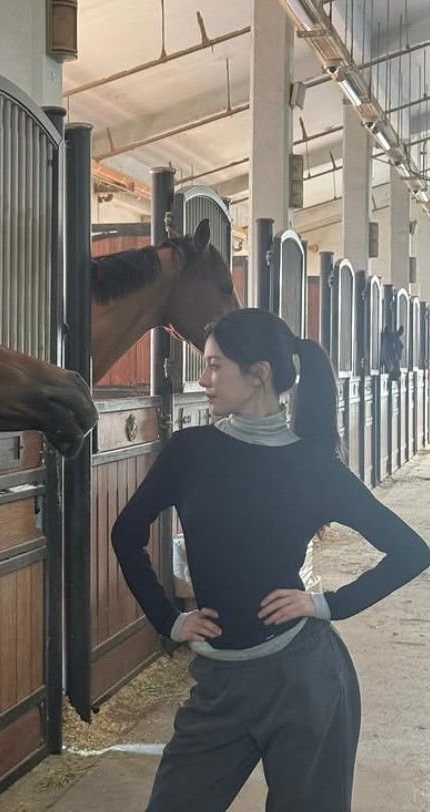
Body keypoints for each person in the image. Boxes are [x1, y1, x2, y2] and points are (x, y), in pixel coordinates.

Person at [111, 308, 430, 812]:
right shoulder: (190, 452)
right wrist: (168, 620)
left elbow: (412, 551)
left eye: (215, 366)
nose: (203, 379)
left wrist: (326, 605)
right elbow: (126, 534)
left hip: (304, 683)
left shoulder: (313, 464)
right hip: (217, 686)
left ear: (257, 374)